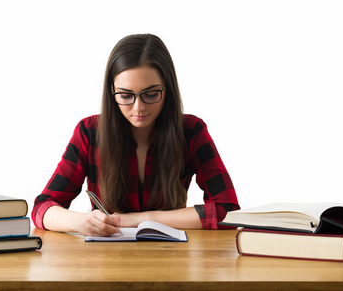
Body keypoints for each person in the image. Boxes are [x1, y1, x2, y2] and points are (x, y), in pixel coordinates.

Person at [32, 34, 239, 236]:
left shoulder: (191, 131)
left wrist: (141, 219)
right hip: (105, 262)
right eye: (125, 95)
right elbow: (42, 208)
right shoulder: (90, 132)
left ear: (167, 89)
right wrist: (81, 223)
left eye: (150, 94)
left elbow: (227, 211)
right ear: (112, 92)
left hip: (171, 259)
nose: (138, 107)